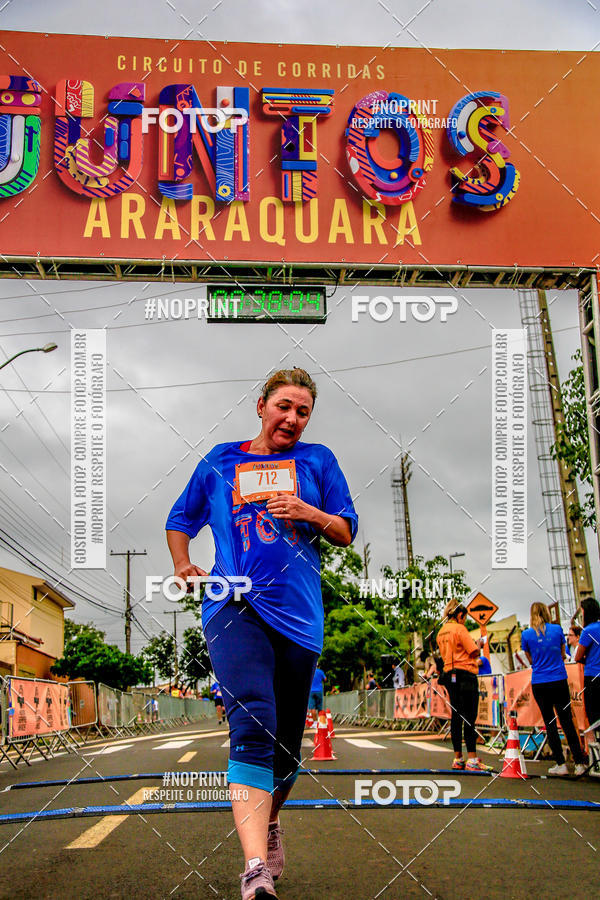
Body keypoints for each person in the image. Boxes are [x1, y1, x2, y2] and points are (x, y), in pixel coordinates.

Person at [165, 367, 358, 900]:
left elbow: (345, 530)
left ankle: (270, 821)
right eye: (284, 407)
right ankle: (254, 869)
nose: (292, 418)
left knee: (287, 752)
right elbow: (180, 520)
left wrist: (307, 511)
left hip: (298, 616)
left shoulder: (318, 461)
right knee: (253, 722)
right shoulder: (220, 461)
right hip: (233, 603)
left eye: (303, 412)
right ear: (261, 406)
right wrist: (182, 564)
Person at [521, 602, 588, 776]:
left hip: (540, 681)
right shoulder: (557, 630)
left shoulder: (526, 635)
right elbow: (562, 654)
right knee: (567, 721)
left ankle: (560, 763)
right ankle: (579, 762)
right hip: (558, 679)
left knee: (549, 721)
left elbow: (530, 659)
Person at [436, 599, 492, 771]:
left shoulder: (441, 632)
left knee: (456, 716)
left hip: (449, 675)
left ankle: (458, 758)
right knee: (469, 716)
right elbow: (473, 651)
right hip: (465, 674)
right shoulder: (459, 629)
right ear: (460, 615)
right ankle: (472, 759)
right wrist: (479, 644)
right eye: (465, 618)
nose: (465, 621)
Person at [575, 597, 600, 737]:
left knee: (593, 713)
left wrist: (588, 660)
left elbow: (578, 656)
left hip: (592, 675)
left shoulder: (588, 630)